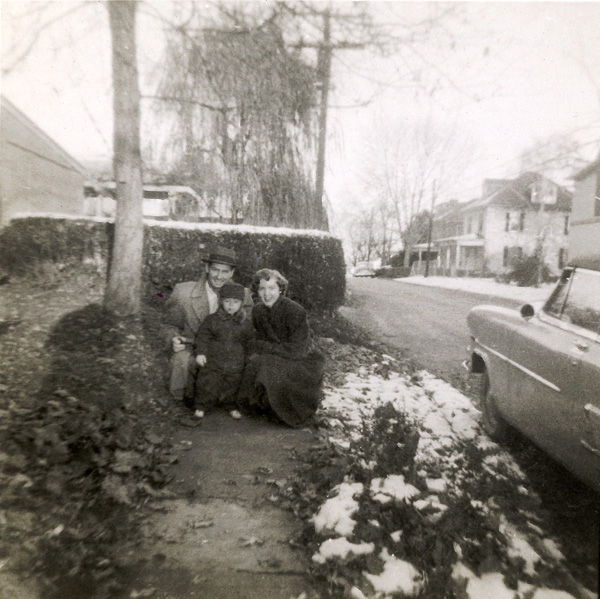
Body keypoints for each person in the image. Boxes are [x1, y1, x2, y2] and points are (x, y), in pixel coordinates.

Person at [160, 246, 252, 404]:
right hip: (194, 349)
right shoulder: (183, 293)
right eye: (215, 270)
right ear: (207, 268)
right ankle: (180, 404)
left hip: (228, 353)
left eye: (225, 272)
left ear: (232, 273)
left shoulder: (244, 295)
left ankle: (227, 401)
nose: (219, 276)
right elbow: (168, 325)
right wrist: (173, 339)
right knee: (181, 360)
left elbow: (247, 331)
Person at [238, 269, 324, 427]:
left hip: (305, 361)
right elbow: (257, 339)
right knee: (254, 361)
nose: (266, 294)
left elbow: (299, 350)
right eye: (262, 288)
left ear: (281, 290)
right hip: (280, 355)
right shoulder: (258, 311)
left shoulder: (295, 311)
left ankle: (288, 412)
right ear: (257, 290)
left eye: (271, 288)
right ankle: (263, 406)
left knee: (266, 364)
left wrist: (266, 348)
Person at [193, 282, 255, 420]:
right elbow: (203, 336)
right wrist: (201, 352)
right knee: (207, 383)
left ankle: (231, 406)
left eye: (235, 302)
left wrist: (250, 357)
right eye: (227, 301)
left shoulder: (245, 323)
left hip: (236, 362)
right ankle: (202, 406)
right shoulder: (212, 320)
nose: (231, 305)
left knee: (233, 385)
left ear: (241, 303)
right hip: (214, 360)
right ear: (221, 302)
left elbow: (250, 341)